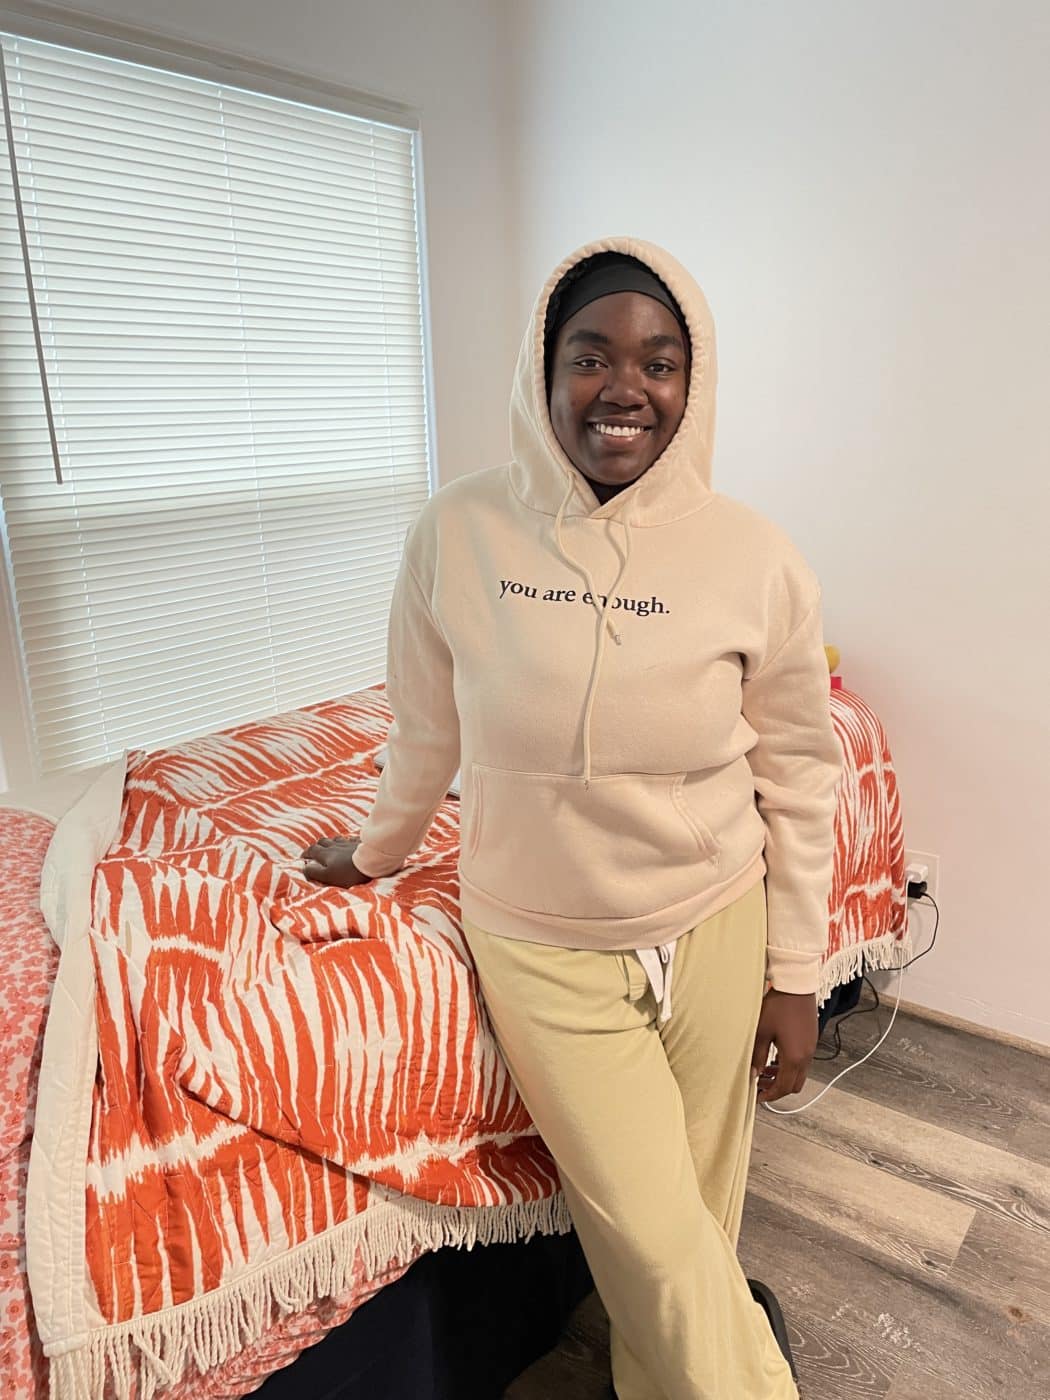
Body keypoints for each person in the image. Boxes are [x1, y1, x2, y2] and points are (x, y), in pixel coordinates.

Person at [303, 237, 842, 1400]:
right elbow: (426, 731)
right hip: (542, 933)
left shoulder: (757, 557)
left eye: (658, 360)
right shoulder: (456, 533)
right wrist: (376, 848)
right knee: (661, 1238)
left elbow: (801, 766)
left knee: (694, 1218)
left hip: (714, 916)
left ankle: (622, 1354)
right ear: (542, 375)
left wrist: (795, 965)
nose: (625, 387)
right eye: (590, 355)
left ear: (690, 388)